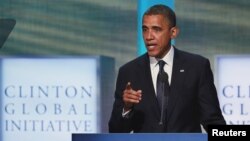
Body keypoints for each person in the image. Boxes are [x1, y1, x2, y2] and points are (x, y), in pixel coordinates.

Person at [109, 4, 226, 133]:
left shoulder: (196, 67)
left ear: (173, 32)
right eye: (145, 29)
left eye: (156, 29)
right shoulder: (129, 72)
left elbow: (212, 120)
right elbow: (115, 131)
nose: (148, 36)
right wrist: (127, 108)